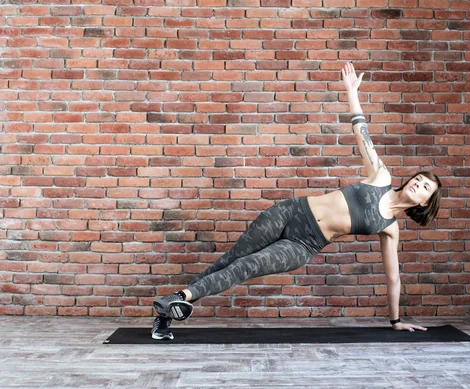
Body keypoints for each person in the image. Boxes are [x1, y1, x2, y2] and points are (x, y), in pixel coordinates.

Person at [151, 63, 442, 340]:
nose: (418, 182)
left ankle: (177, 301)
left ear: (425, 202)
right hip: (291, 212)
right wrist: (352, 92)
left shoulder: (390, 228)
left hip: (304, 244)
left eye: (425, 186)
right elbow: (361, 132)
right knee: (230, 260)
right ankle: (169, 310)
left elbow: (393, 280)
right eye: (419, 177)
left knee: (246, 266)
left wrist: (396, 321)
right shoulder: (381, 177)